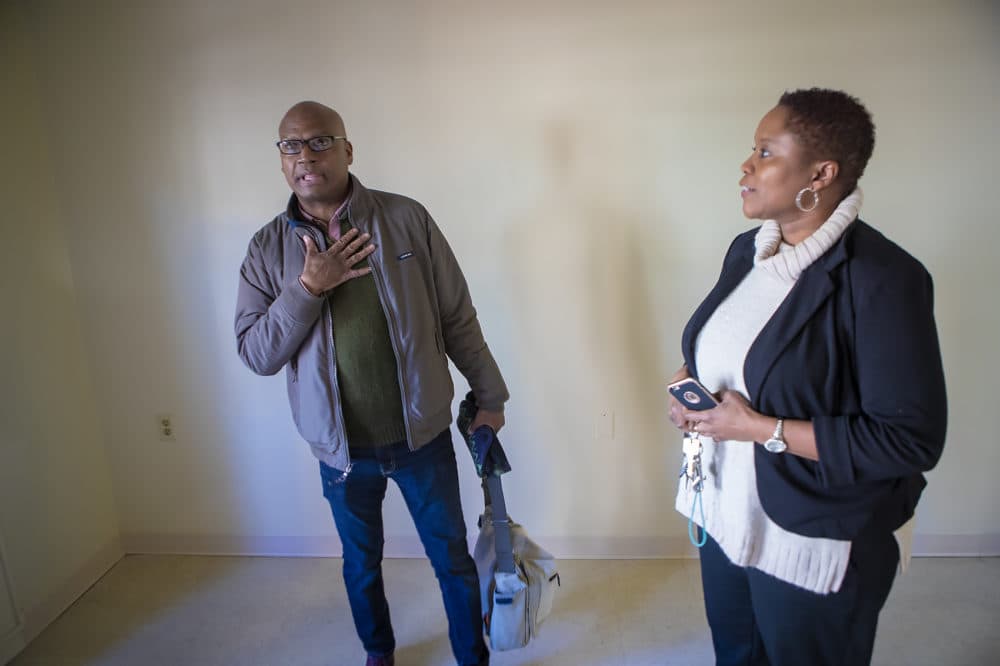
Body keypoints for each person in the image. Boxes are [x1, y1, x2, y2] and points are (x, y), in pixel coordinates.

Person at [668, 88, 947, 666]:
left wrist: (760, 428)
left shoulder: (883, 279)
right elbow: (736, 353)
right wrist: (694, 389)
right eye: (753, 150)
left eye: (766, 152)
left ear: (820, 173)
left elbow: (908, 440)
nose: (746, 165)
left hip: (812, 538)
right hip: (724, 512)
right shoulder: (747, 252)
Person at [235, 101, 508, 666]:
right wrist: (308, 289)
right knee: (361, 564)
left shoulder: (406, 219)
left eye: (319, 141)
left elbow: (456, 315)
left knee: (451, 558)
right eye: (290, 146)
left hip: (421, 436)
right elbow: (256, 353)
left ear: (347, 149)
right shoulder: (267, 250)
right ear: (280, 159)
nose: (305, 156)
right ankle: (378, 654)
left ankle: (471, 656)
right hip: (340, 452)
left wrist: (491, 394)